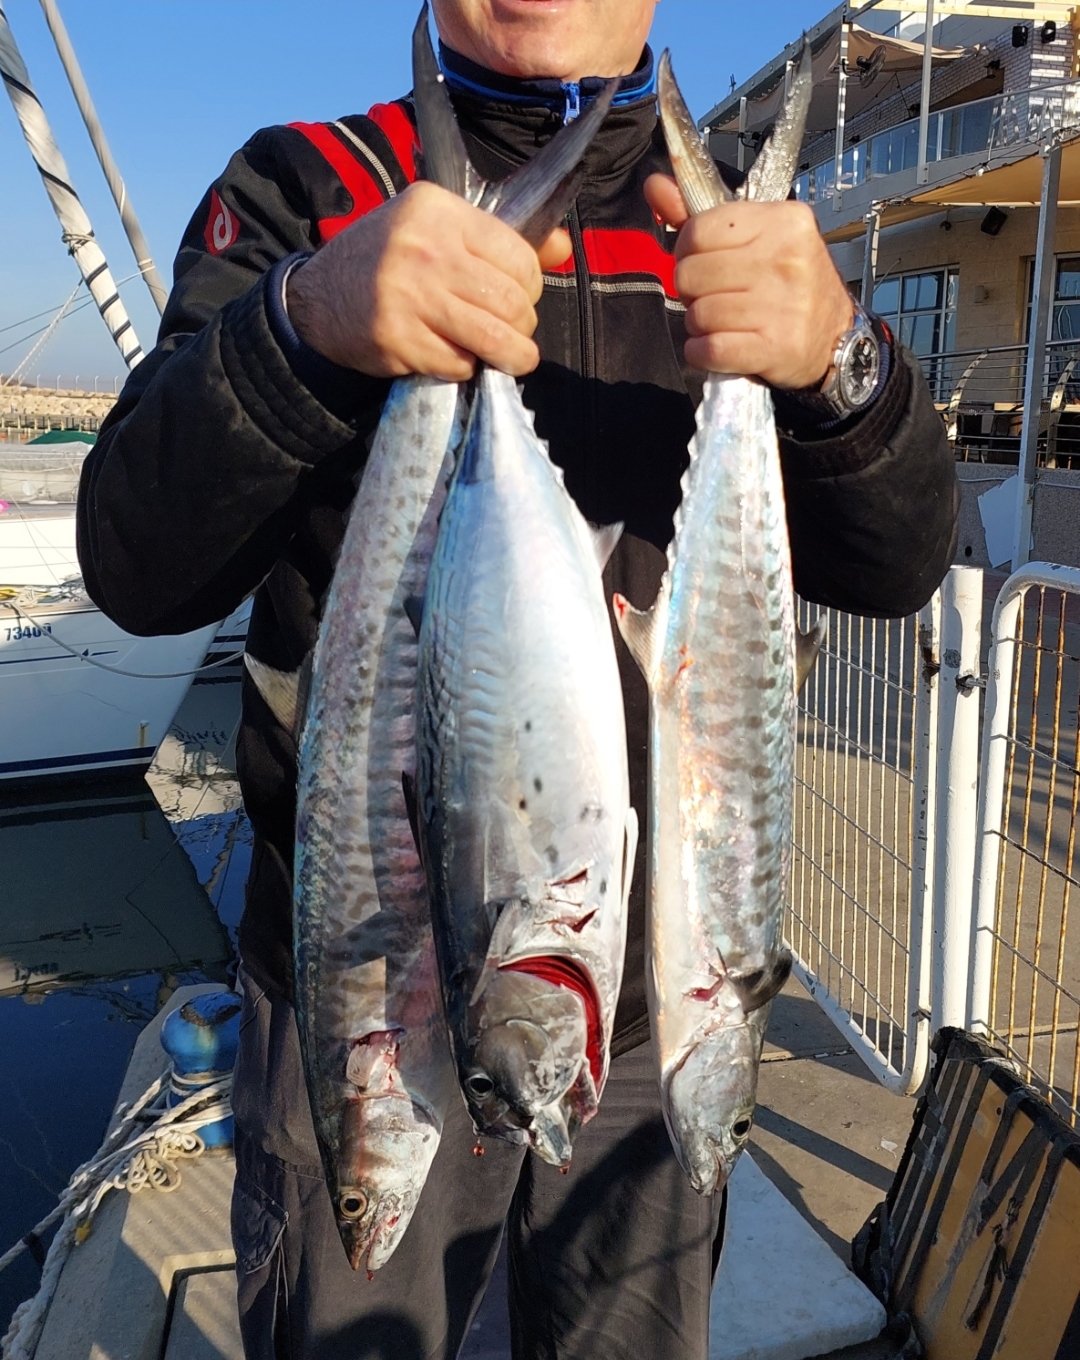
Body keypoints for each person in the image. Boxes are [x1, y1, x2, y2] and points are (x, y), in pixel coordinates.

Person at [77, 2, 958, 1356]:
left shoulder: (733, 231)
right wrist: (306, 322)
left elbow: (901, 564)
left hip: (652, 1001)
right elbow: (135, 566)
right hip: (363, 992)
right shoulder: (306, 186)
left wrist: (840, 361)